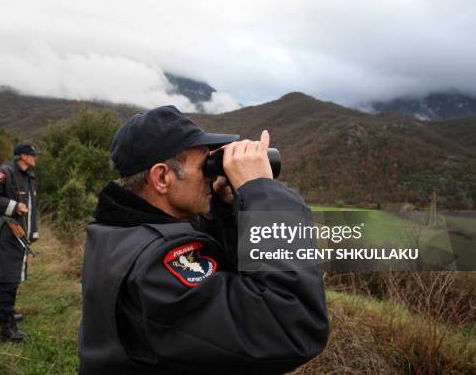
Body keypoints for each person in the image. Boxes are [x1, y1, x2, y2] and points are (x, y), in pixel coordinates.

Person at [78, 105, 329, 374]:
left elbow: (224, 281)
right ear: (162, 177)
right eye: (205, 168)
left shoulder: (115, 231)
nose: (212, 177)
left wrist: (223, 209)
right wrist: (262, 195)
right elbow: (292, 326)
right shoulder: (155, 267)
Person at [0, 143, 39, 342]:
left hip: (17, 236)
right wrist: (12, 206)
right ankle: (7, 328)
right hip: (3, 235)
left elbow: (31, 207)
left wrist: (33, 233)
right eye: (32, 154)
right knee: (9, 278)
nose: (35, 157)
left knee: (5, 276)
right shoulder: (5, 173)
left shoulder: (28, 177)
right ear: (22, 156)